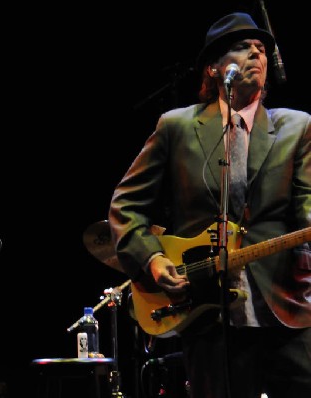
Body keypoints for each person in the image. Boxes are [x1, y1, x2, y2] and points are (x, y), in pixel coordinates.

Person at [109, 12, 310, 398]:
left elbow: (307, 205)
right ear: (215, 69)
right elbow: (126, 206)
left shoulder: (297, 126)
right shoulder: (177, 126)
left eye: (261, 48)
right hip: (208, 313)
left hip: (286, 306)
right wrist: (153, 260)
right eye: (242, 46)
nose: (256, 52)